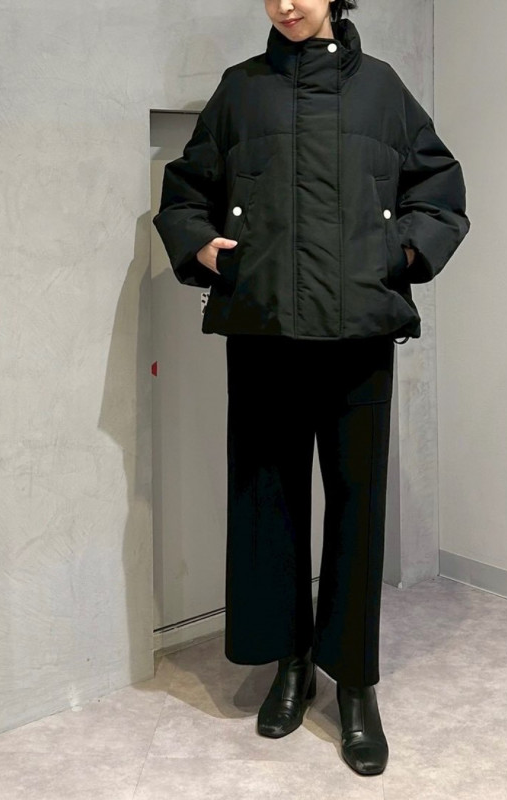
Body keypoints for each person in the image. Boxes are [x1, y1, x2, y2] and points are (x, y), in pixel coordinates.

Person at [153, 0, 470, 777]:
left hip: (359, 337)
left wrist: (396, 254)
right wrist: (208, 251)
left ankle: (354, 683)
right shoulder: (240, 89)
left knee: (359, 508)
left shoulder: (383, 89)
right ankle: (289, 664)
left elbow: (440, 190)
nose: (285, 5)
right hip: (264, 334)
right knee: (270, 502)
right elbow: (184, 193)